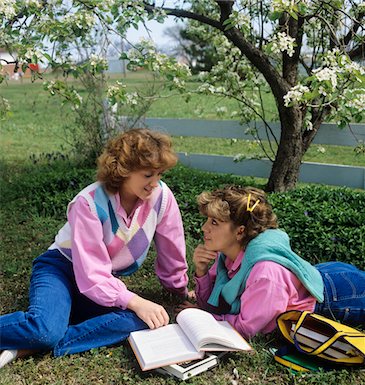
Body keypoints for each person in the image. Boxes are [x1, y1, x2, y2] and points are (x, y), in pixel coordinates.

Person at [0, 128, 189, 368]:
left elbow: (172, 249)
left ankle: (39, 343)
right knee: (43, 328)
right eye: (148, 174)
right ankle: (43, 336)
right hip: (60, 269)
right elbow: (91, 273)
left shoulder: (162, 197)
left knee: (142, 319)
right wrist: (134, 300)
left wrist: (179, 290)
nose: (155, 182)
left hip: (99, 280)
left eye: (160, 174)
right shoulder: (88, 202)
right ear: (124, 170)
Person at [177, 185, 365, 339]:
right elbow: (213, 302)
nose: (204, 228)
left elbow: (247, 328)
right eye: (208, 220)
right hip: (319, 274)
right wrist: (201, 271)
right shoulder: (228, 254)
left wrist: (205, 318)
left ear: (240, 231)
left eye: (214, 222)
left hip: (339, 295)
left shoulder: (265, 273)